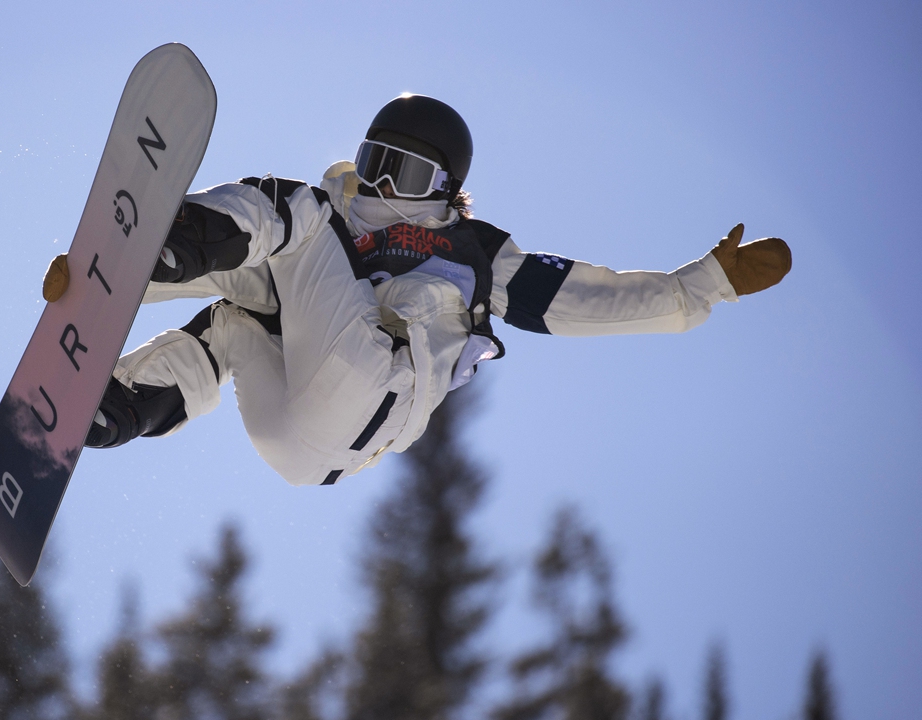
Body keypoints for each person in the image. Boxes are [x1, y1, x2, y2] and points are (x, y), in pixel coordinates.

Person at [42, 94, 791, 486]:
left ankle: (160, 247)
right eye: (375, 161)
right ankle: (114, 410)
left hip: (378, 384)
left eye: (407, 176)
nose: (381, 186)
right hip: (303, 449)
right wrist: (113, 276)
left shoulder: (471, 250)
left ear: (446, 191)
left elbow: (591, 303)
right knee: (237, 318)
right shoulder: (337, 233)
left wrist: (705, 285)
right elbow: (250, 265)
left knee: (291, 211)